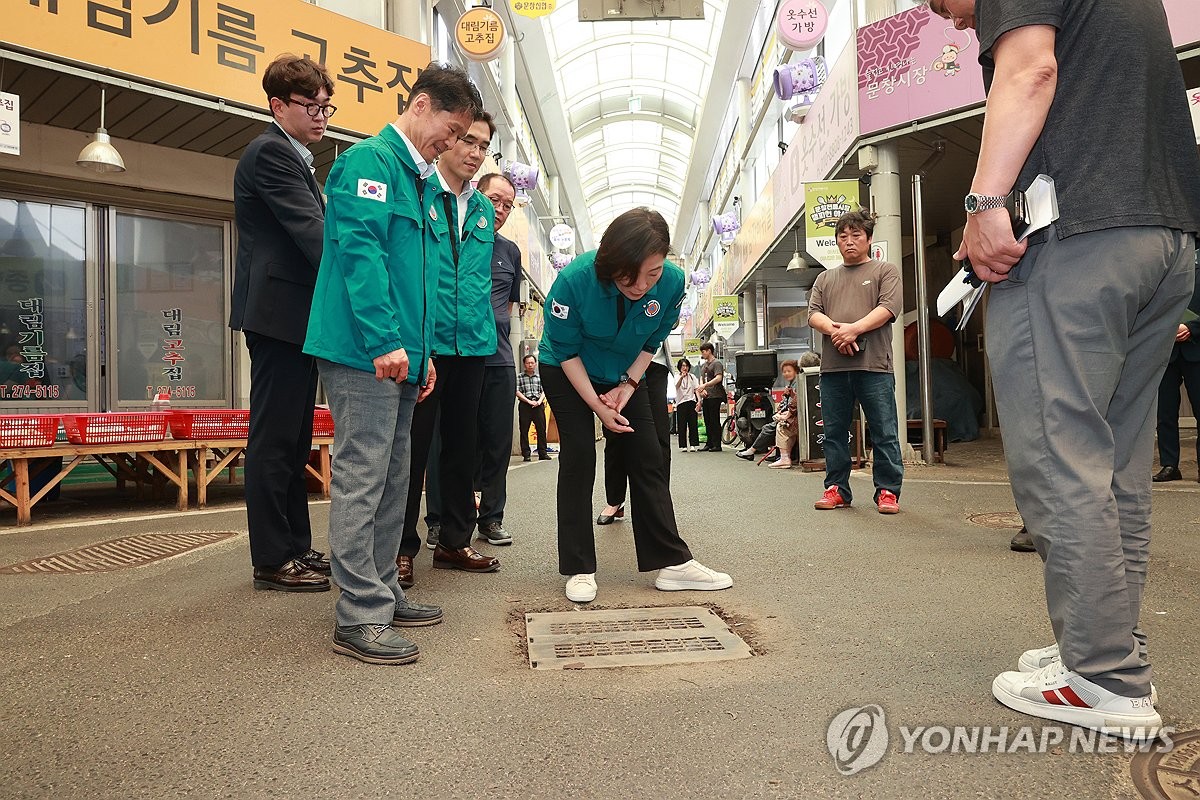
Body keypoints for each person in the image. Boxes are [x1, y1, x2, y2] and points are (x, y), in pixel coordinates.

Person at [928, 0, 1200, 735]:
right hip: (1165, 238)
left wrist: (985, 204)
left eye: (935, 1)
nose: (947, 19)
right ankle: (1105, 650)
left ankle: (1105, 680)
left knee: (1058, 460)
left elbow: (1030, 69)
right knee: (1113, 465)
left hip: (1077, 241)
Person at [303, 62, 482, 666]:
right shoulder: (370, 164)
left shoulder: (421, 180)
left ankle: (383, 588)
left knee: (395, 477)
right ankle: (358, 614)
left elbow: (424, 281)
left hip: (402, 355)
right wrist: (384, 339)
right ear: (422, 105)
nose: (454, 144)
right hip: (363, 351)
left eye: (461, 136)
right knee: (362, 474)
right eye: (452, 130)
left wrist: (424, 354)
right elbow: (361, 255)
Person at [538, 207, 731, 604]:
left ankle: (672, 564)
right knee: (578, 455)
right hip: (566, 367)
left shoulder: (673, 282)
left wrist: (627, 385)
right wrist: (597, 405)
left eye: (653, 273)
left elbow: (651, 340)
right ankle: (579, 566)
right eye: (631, 274)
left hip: (626, 369)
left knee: (648, 454)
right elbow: (565, 349)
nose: (642, 285)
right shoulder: (574, 280)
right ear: (611, 261)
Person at [229, 55, 333, 593]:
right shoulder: (270, 152)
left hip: (294, 315)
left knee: (295, 438)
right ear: (277, 105)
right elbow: (310, 231)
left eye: (325, 106)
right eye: (311, 106)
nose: (321, 117)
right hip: (276, 315)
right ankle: (271, 557)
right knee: (273, 437)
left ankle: (295, 546)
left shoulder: (295, 156)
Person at [398, 110, 501, 588]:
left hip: (474, 345)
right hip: (427, 342)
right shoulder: (421, 193)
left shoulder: (483, 210)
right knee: (413, 448)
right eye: (467, 140)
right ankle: (399, 548)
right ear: (450, 140)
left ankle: (455, 542)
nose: (474, 152)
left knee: (463, 446)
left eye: (482, 145)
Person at [808, 210, 903, 513]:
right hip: (834, 369)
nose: (849, 242)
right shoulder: (825, 277)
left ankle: (888, 490)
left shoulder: (885, 271)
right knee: (834, 432)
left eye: (856, 235)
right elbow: (813, 314)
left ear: (868, 238)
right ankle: (836, 488)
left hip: (874, 366)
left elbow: (888, 308)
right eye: (843, 236)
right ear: (836, 241)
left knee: (883, 430)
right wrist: (837, 331)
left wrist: (854, 329)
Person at [473, 173, 524, 544]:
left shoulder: (510, 251)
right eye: (495, 200)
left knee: (498, 443)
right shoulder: (461, 237)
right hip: (459, 354)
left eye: (508, 204)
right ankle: (442, 520)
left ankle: (491, 517)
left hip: (500, 359)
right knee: (455, 441)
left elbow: (509, 307)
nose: (501, 209)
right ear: (477, 195)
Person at [596, 343, 672, 526]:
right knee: (615, 432)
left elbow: (672, 321)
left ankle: (658, 501)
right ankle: (615, 500)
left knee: (658, 434)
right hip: (619, 361)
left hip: (655, 363)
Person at [1153, 265, 1200, 483]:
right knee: (1165, 413)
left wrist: (1193, 327)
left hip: (1196, 348)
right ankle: (1170, 465)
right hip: (1165, 351)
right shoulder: (1161, 274)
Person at [767, 360, 801, 469]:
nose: (786, 373)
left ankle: (784, 457)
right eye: (784, 371)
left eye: (789, 371)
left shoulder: (797, 384)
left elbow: (795, 403)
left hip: (799, 419)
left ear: (796, 371)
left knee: (782, 426)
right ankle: (785, 456)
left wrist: (787, 415)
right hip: (800, 417)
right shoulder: (792, 385)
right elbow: (786, 404)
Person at [516, 354, 550, 461]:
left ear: (535, 364)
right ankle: (526, 454)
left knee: (541, 429)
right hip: (525, 405)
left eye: (532, 363)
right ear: (524, 364)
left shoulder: (540, 377)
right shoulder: (519, 377)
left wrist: (539, 401)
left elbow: (544, 390)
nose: (530, 365)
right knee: (524, 430)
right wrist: (528, 401)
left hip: (538, 405)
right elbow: (516, 391)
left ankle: (543, 453)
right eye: (528, 363)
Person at [696, 342, 726, 451]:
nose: (702, 354)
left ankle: (717, 444)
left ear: (709, 351)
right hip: (706, 396)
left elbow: (718, 378)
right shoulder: (704, 365)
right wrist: (702, 388)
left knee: (714, 419)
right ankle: (709, 443)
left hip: (715, 395)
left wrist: (705, 385)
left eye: (704, 351)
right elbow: (701, 378)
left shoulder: (717, 363)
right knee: (707, 419)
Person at [674, 357, 701, 452]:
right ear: (679, 367)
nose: (685, 368)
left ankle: (693, 444)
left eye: (686, 366)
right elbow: (676, 386)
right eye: (683, 366)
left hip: (691, 401)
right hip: (681, 402)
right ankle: (683, 445)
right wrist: (682, 377)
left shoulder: (692, 377)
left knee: (693, 423)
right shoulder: (677, 376)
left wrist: (699, 401)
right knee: (682, 425)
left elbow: (696, 389)